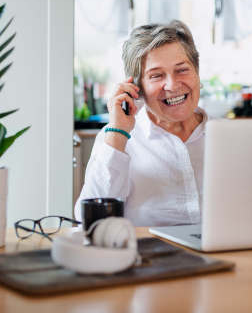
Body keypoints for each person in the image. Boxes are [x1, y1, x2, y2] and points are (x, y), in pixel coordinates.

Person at [74, 20, 211, 227]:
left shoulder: (228, 136)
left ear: (197, 73)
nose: (172, 86)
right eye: (156, 75)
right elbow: (89, 220)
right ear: (136, 87)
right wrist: (118, 133)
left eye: (182, 70)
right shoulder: (116, 137)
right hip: (148, 256)